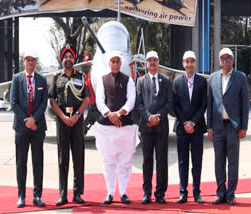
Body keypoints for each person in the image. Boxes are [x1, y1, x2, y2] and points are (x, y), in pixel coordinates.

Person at [94, 50, 138, 205]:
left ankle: (124, 192)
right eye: (112, 61)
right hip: (107, 127)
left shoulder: (128, 80)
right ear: (109, 63)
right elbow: (100, 101)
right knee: (109, 162)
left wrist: (118, 114)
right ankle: (110, 192)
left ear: (121, 63)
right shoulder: (102, 80)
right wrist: (110, 115)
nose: (115, 64)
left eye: (117, 61)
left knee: (126, 162)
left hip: (124, 127)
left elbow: (131, 100)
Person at [207, 48, 249, 206]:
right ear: (219, 61)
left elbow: (245, 104)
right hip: (217, 126)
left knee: (232, 161)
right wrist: (209, 126)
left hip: (233, 126)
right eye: (222, 58)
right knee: (219, 161)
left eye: (228, 58)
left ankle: (231, 194)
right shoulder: (213, 78)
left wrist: (244, 126)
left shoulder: (240, 77)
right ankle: (220, 193)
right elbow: (210, 104)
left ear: (233, 60)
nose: (225, 61)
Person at [49, 44, 90, 206]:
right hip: (62, 121)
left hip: (77, 121)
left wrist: (77, 115)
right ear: (62, 59)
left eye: (70, 57)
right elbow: (52, 100)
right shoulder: (56, 78)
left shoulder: (81, 77)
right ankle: (63, 194)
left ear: (74, 59)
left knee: (78, 157)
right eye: (65, 57)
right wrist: (64, 117)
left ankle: (78, 193)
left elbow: (86, 99)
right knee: (62, 158)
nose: (68, 59)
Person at [10, 51, 48, 208]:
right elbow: (13, 102)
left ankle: (37, 196)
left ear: (36, 62)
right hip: (21, 127)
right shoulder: (17, 79)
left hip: (38, 127)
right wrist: (26, 120)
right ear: (24, 62)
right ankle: (21, 196)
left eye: (33, 60)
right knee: (21, 162)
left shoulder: (42, 79)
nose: (31, 63)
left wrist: (34, 119)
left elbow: (44, 101)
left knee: (38, 162)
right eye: (28, 60)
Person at [136, 50, 172, 204]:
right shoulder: (141, 81)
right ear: (146, 64)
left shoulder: (166, 81)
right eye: (149, 60)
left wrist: (158, 117)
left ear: (158, 63)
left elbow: (169, 102)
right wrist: (148, 117)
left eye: (154, 60)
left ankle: (160, 193)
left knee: (162, 160)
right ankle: (147, 193)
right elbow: (139, 103)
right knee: (147, 160)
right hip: (146, 127)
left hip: (161, 126)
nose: (152, 62)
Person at [172, 51, 206, 204]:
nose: (190, 64)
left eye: (192, 61)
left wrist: (193, 122)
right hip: (181, 128)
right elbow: (175, 105)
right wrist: (185, 122)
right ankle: (182, 192)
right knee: (182, 162)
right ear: (183, 63)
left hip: (197, 128)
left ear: (195, 63)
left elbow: (204, 104)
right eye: (187, 61)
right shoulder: (177, 82)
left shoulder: (202, 81)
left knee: (197, 162)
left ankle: (197, 192)